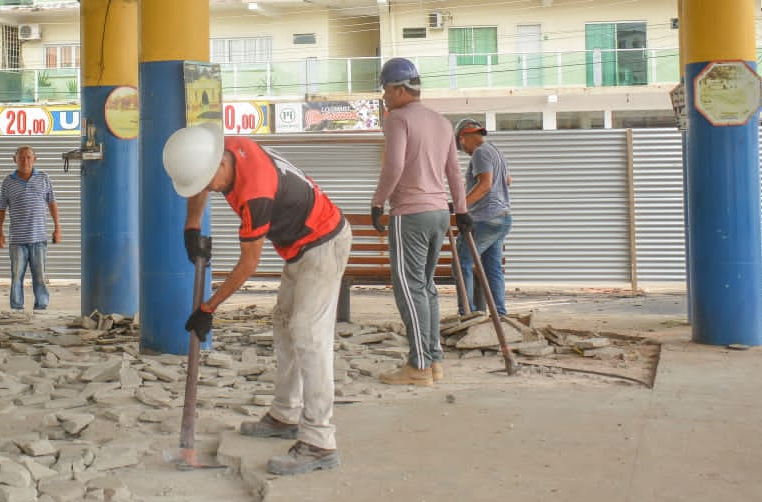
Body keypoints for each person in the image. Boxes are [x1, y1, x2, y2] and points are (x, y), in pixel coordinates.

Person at [163, 123, 353, 477]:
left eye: (207, 182)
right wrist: (192, 226)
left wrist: (209, 307)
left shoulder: (255, 193)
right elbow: (200, 186)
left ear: (218, 166)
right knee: (284, 327)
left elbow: (248, 263)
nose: (206, 189)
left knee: (308, 336)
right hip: (299, 248)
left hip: (324, 243)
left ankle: (320, 441)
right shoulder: (225, 149)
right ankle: (285, 414)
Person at [370, 57, 470, 386]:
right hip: (439, 212)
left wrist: (377, 201)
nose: (384, 96)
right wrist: (463, 210)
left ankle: (418, 366)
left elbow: (394, 165)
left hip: (410, 213)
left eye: (385, 89)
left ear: (400, 89)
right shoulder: (442, 122)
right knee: (426, 288)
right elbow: (454, 171)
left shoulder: (397, 119)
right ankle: (434, 361)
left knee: (409, 290)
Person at [454, 118, 512, 316]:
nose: (465, 151)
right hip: (502, 218)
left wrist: (461, 206)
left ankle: (467, 315)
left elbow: (486, 184)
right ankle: (499, 315)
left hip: (485, 219)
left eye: (462, 147)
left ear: (464, 138)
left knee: (461, 263)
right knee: (492, 267)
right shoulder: (496, 151)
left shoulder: (479, 153)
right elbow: (507, 181)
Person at [0, 145, 61, 311]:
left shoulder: (44, 178)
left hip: (39, 238)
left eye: (28, 157)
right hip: (17, 240)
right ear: (14, 159)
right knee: (17, 276)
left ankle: (42, 305)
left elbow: (52, 203)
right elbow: (1, 208)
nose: (25, 161)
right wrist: (0, 233)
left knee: (40, 276)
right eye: (21, 157)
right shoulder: (8, 182)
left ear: (34, 159)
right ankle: (17, 307)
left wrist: (57, 228)